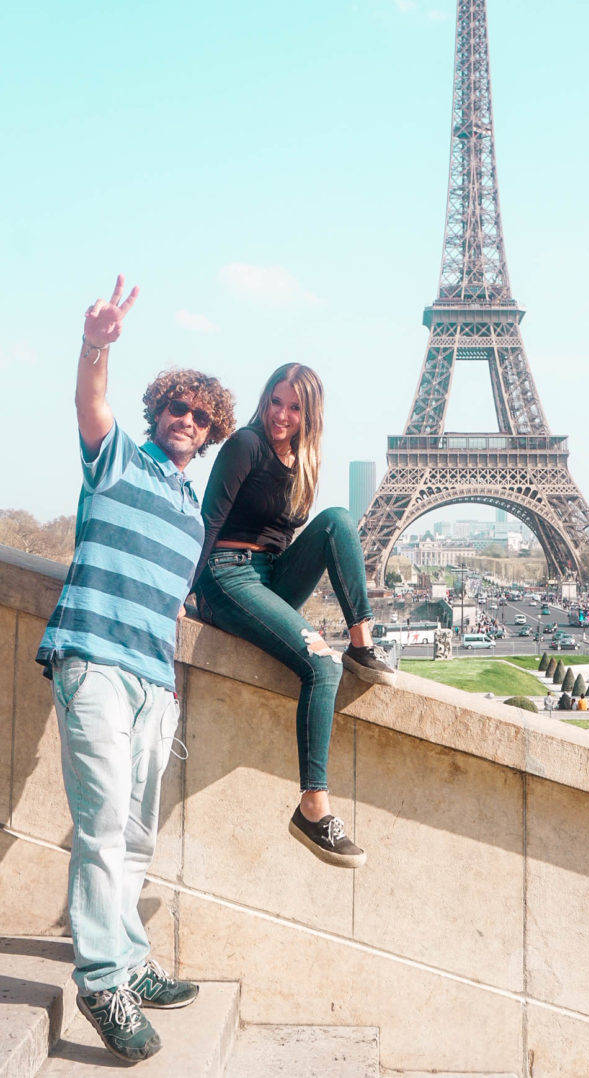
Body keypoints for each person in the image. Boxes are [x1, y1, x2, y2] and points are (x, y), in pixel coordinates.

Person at [36, 279, 236, 1064]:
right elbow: (90, 404)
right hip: (93, 662)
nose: (187, 421)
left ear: (211, 431)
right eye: (176, 409)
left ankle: (128, 957)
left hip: (154, 679)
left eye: (201, 416)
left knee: (138, 831)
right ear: (156, 415)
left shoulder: (192, 510)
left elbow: (174, 604)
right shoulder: (116, 459)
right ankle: (100, 979)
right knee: (103, 822)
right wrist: (98, 346)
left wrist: (173, 681)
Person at [194, 363, 396, 871]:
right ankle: (313, 807)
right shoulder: (245, 444)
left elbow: (289, 544)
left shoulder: (303, 461)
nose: (281, 414)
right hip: (227, 576)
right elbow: (209, 521)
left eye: (294, 406)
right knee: (321, 667)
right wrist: (182, 591)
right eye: (275, 401)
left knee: (338, 520)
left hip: (269, 576)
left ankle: (362, 641)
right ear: (265, 400)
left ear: (310, 414)